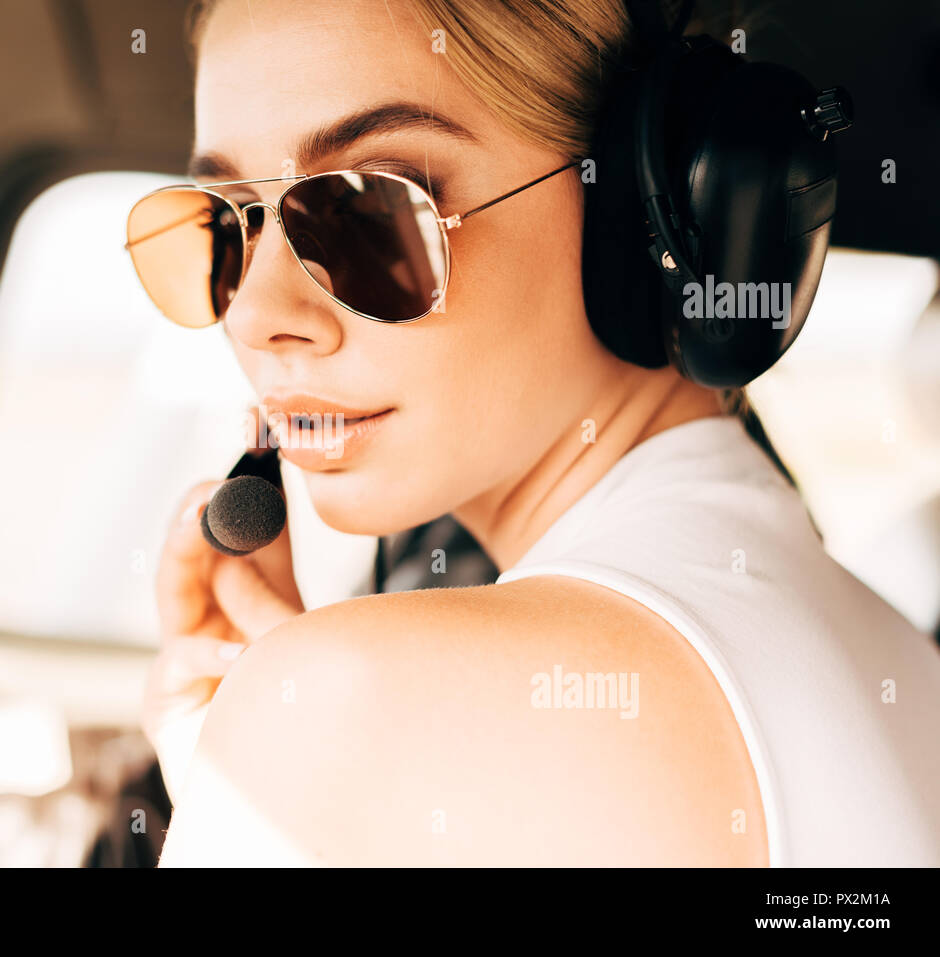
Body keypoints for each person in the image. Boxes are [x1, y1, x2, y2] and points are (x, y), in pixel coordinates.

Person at [135, 0, 940, 866]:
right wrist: (237, 775)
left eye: (367, 211)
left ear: (642, 213)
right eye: (229, 221)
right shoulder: (895, 659)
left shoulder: (341, 703)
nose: (256, 315)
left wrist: (281, 751)